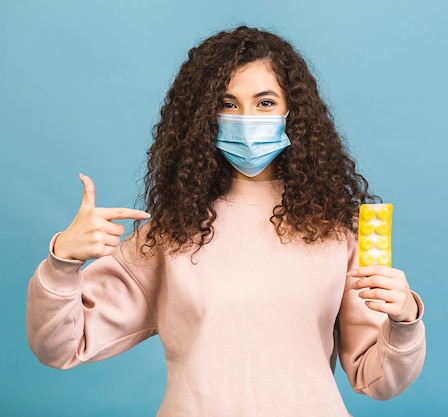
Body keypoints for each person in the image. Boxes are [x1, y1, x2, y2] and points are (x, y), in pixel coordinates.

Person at [26, 26, 426, 416]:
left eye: (265, 103)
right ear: (205, 117)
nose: (246, 119)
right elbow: (60, 347)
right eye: (228, 103)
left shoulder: (339, 232)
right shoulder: (172, 234)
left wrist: (405, 318)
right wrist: (62, 262)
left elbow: (379, 380)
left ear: (294, 111)